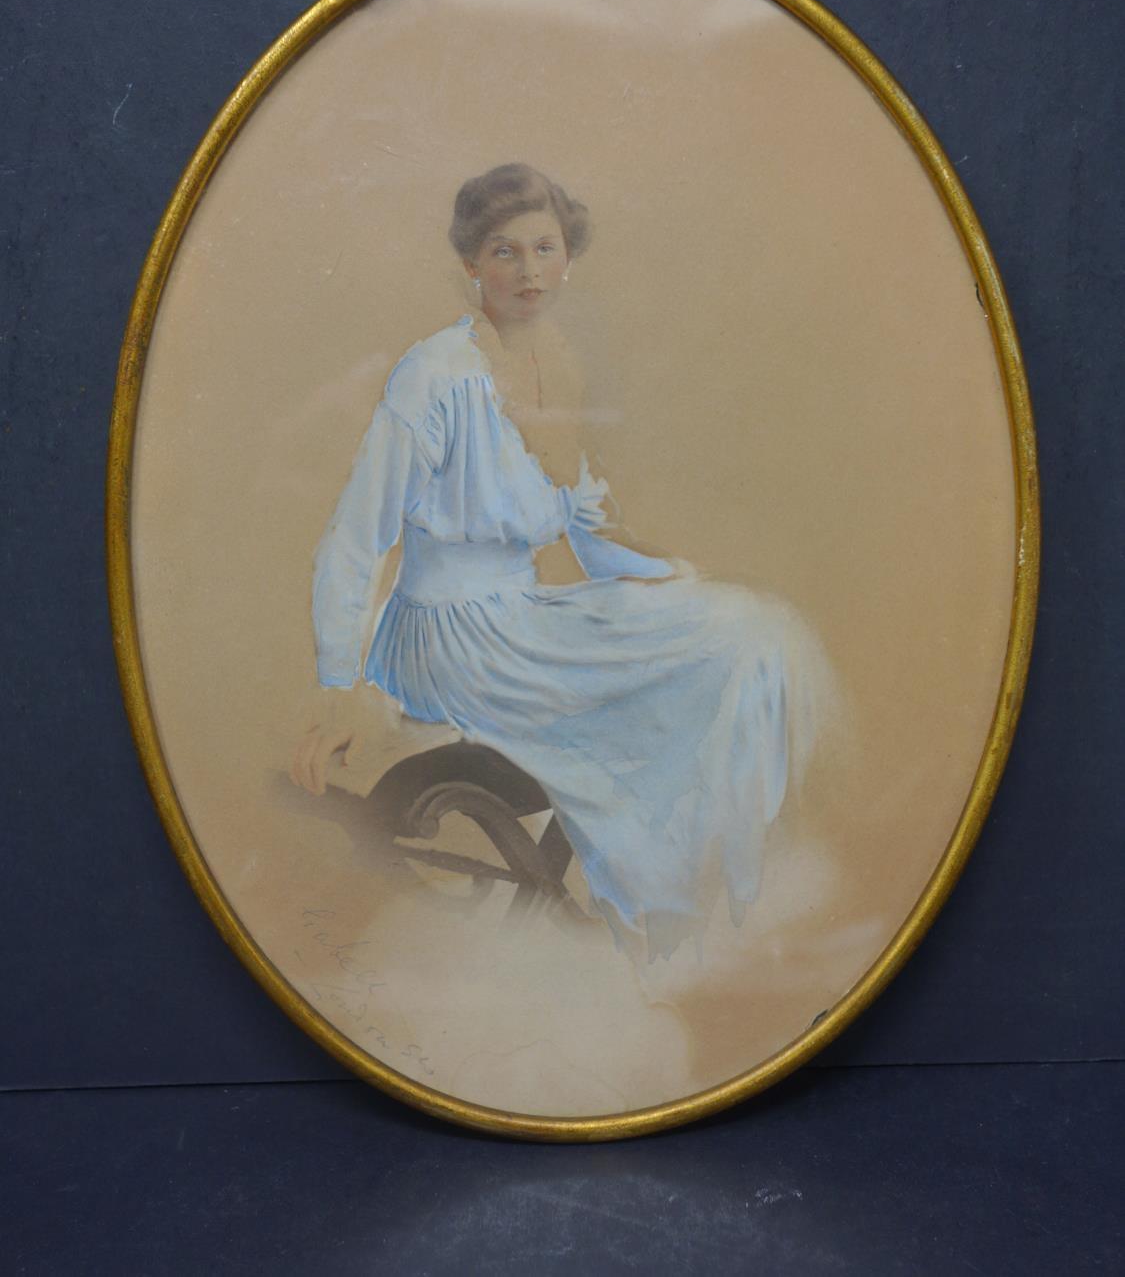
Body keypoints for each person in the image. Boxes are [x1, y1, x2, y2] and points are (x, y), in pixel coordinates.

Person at [291, 163, 834, 963]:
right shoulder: (435, 375)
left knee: (749, 630)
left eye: (543, 248)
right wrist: (338, 687)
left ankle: (675, 907)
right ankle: (652, 909)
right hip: (451, 643)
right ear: (471, 265)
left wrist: (665, 578)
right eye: (503, 252)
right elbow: (356, 535)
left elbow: (579, 520)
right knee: (679, 672)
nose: (528, 270)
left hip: (521, 619)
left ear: (568, 257)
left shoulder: (558, 364)